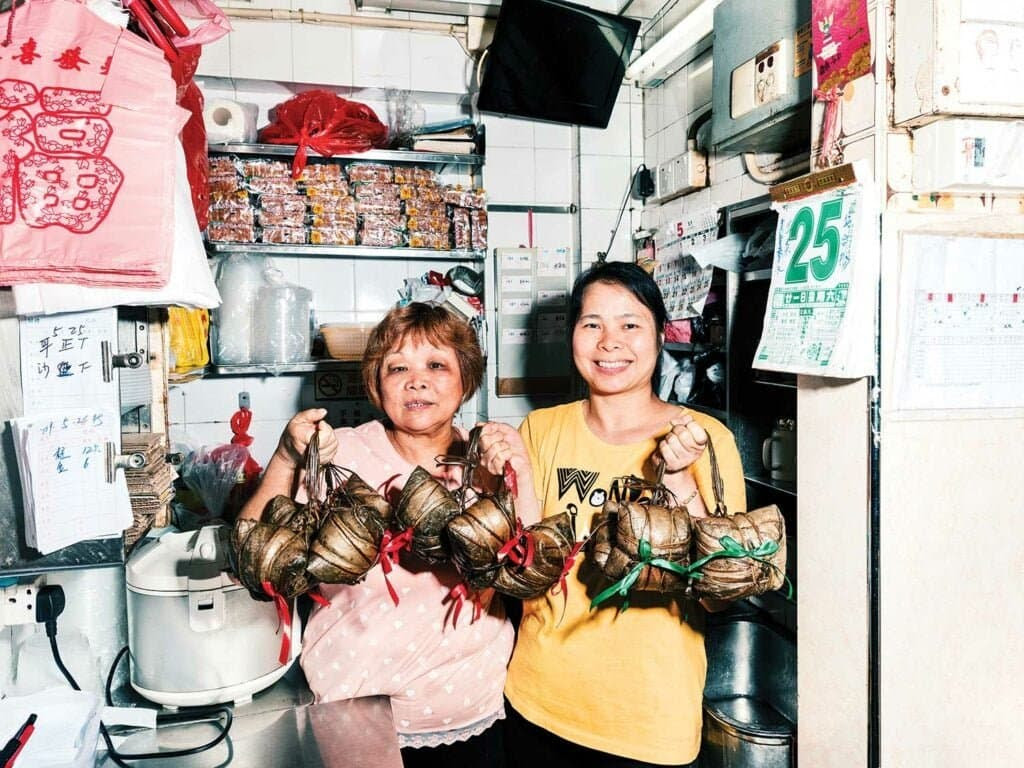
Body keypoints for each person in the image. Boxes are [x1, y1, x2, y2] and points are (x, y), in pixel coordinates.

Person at [478, 261, 746, 768]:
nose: (609, 342)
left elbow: (716, 598)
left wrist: (680, 480)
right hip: (537, 701)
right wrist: (509, 472)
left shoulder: (706, 439)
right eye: (592, 324)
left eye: (630, 324)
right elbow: (527, 571)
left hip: (646, 721)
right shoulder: (540, 429)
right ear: (573, 335)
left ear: (660, 335)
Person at [240, 302, 512, 768]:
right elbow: (253, 550)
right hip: (357, 708)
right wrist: (287, 457)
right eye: (397, 367)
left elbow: (524, 568)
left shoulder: (486, 458)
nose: (417, 380)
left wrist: (515, 472)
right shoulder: (341, 452)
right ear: (375, 383)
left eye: (437, 365)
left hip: (470, 702)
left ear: (466, 380)